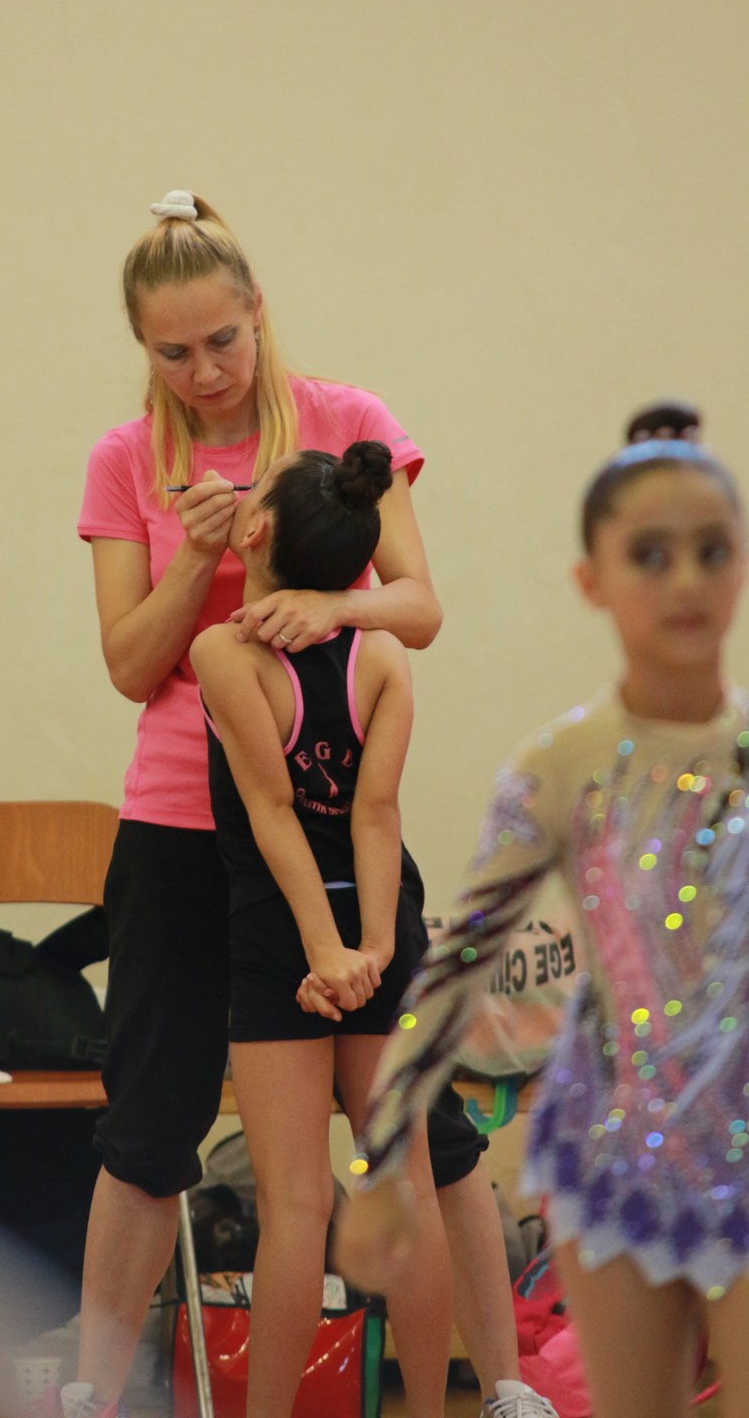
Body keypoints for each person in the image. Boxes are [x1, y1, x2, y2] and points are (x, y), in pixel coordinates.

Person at [53, 192, 555, 1418]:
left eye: (221, 340)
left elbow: (416, 605)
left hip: (332, 819)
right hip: (183, 825)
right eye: (171, 352)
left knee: (423, 1130)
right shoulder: (126, 458)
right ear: (142, 348)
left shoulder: (344, 420)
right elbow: (128, 664)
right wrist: (195, 559)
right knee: (150, 1122)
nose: (203, 372)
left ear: (258, 312)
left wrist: (333, 605)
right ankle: (87, 1392)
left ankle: (499, 1385)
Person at [336, 409, 749, 1417]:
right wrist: (380, 1159)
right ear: (590, 580)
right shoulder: (561, 764)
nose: (684, 582)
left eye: (710, 551)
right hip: (614, 1148)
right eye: (648, 555)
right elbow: (454, 967)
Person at [191, 438, 455, 1418]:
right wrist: (374, 950)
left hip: (281, 932)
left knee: (295, 1204)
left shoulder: (223, 653)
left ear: (254, 531)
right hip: (372, 925)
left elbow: (272, 813)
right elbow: (374, 815)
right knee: (402, 1189)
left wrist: (325, 955)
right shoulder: (383, 654)